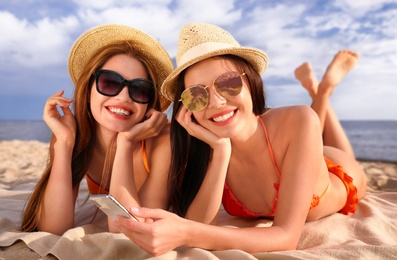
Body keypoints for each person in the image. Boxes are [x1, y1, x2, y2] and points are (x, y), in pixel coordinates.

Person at [114, 22, 367, 255]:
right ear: (186, 107)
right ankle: (319, 92)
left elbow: (286, 238)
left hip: (341, 175)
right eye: (196, 95)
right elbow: (201, 223)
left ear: (251, 82)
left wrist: (186, 232)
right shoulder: (206, 147)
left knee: (319, 131)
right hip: (296, 150)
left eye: (228, 83)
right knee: (311, 136)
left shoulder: (299, 118)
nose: (216, 102)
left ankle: (322, 92)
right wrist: (221, 151)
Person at [20, 24, 174, 235]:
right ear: (88, 88)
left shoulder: (163, 140)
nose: (124, 97)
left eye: (139, 89)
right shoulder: (74, 137)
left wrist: (125, 143)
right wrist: (64, 143)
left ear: (149, 102)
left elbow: (130, 230)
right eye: (110, 82)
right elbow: (53, 228)